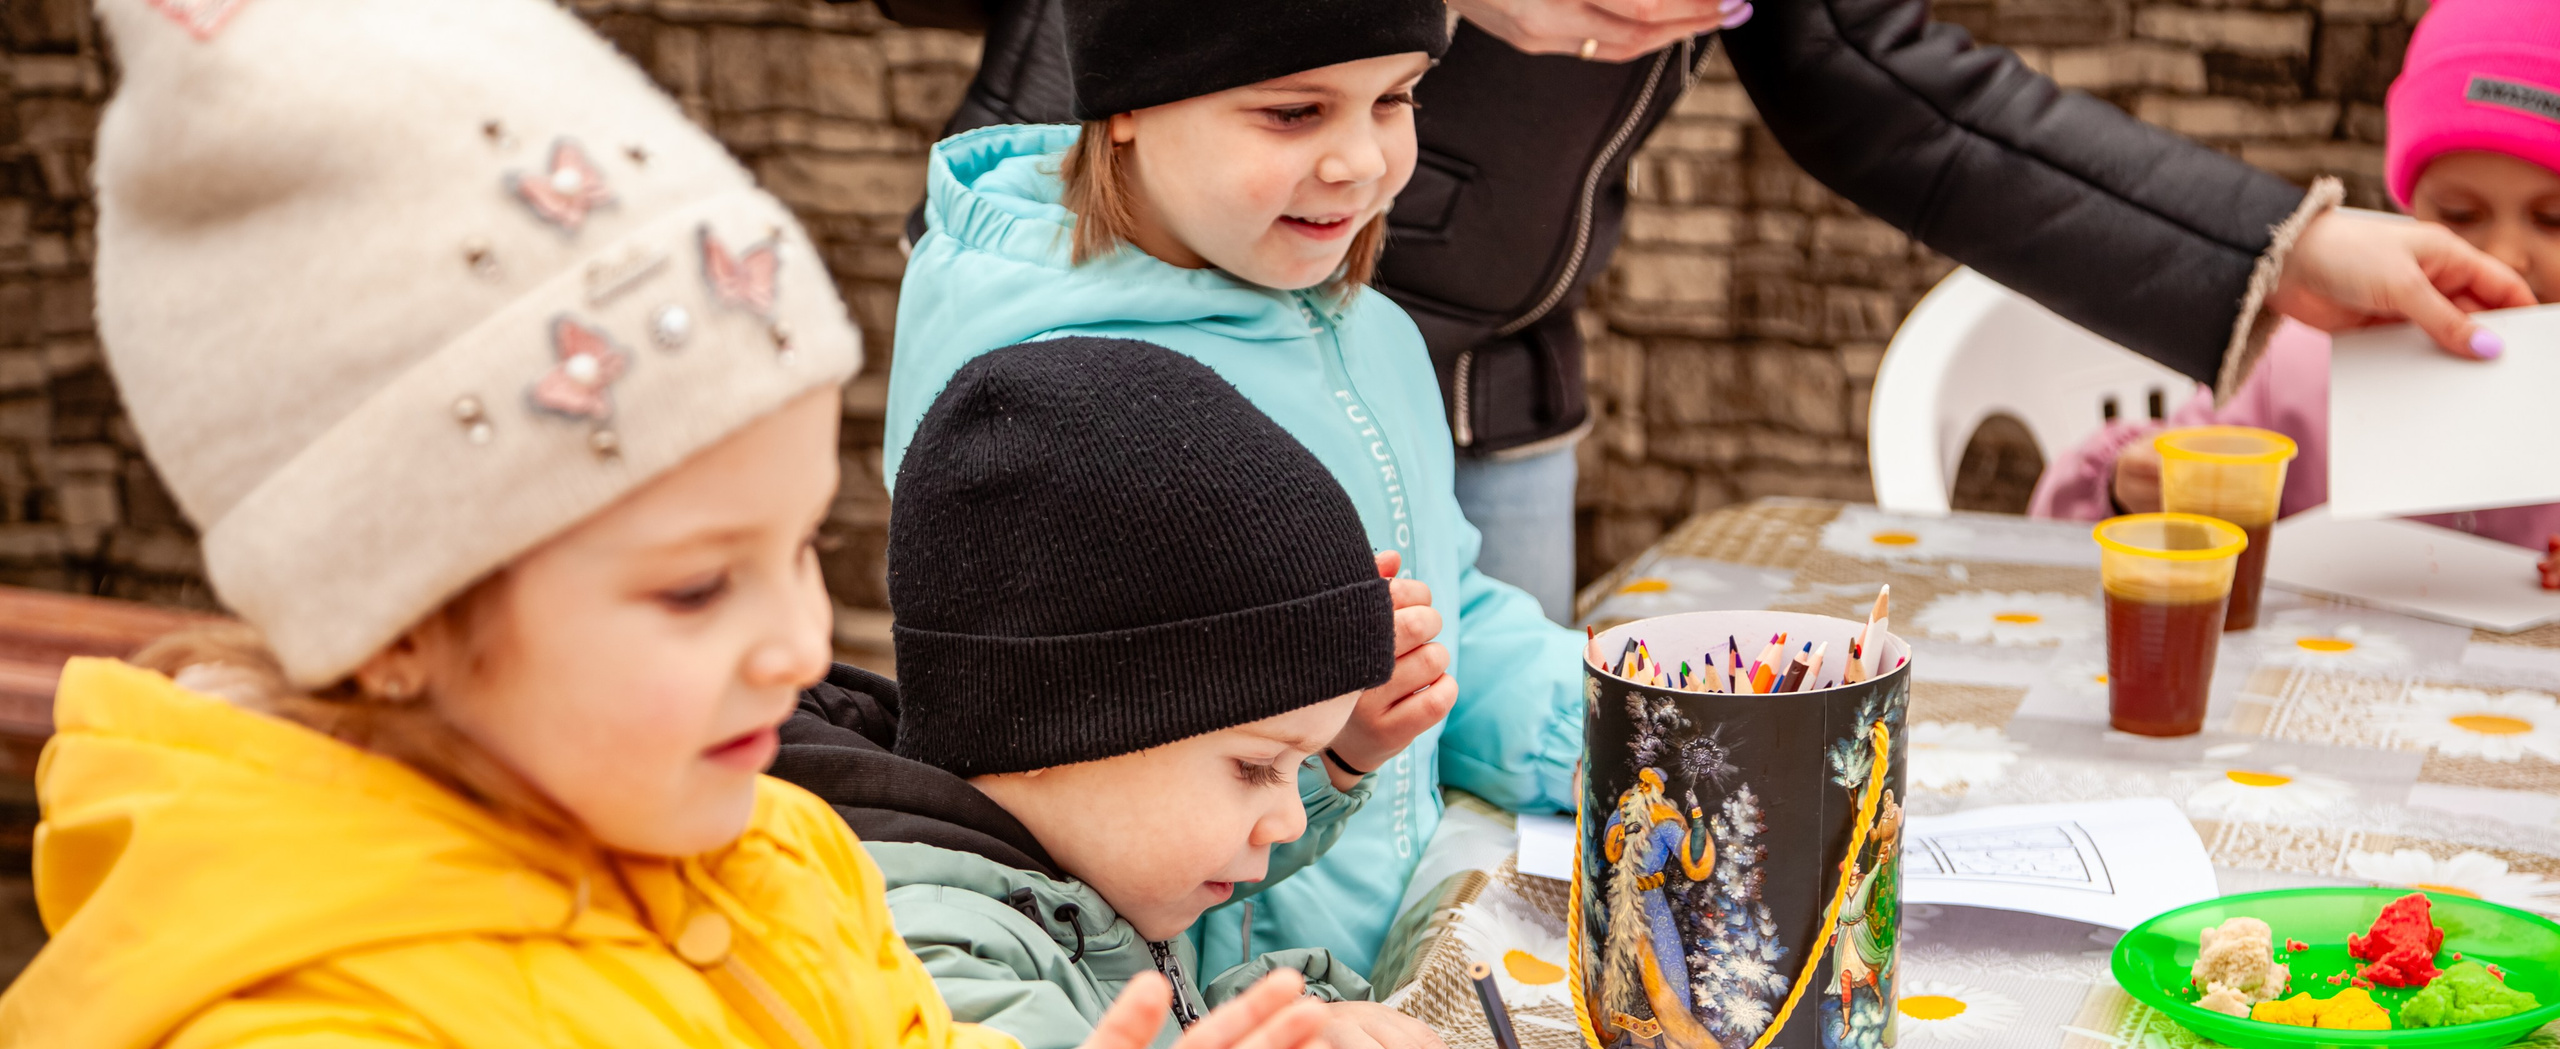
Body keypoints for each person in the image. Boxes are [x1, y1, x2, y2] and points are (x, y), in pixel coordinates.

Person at [2, 2, 1383, 1049]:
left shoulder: (767, 862)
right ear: (398, 623)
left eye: (800, 549)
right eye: (692, 585)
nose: (799, 643)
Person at [877, 0, 2535, 623]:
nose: (1362, 149)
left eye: (1391, 96)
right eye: (1316, 106)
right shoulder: (1064, 349)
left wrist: (2280, 249)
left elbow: (1880, 75)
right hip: (1140, 311)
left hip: (1479, 375)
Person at [775, 337, 1592, 1049]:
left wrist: (1251, 1045)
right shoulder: (917, 944)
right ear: (1062, 721)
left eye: (1300, 766)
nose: (1290, 820)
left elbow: (1124, 1028)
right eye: (1255, 766)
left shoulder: (1053, 866)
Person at [886, 0, 1579, 994]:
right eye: (1294, 111)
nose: (1361, 161)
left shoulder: (1368, 331)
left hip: (1373, 978)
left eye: (1394, 99)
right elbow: (1060, 791)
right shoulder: (1052, 404)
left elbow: (1445, 613)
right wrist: (1331, 758)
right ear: (1129, 100)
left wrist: (1619, 738)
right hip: (1203, 1019)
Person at [2031, 0, 2560, 552]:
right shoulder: (2301, 355)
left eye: (2554, 219)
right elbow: (2056, 540)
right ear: (2409, 208)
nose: (2506, 256)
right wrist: (2124, 489)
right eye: (2459, 214)